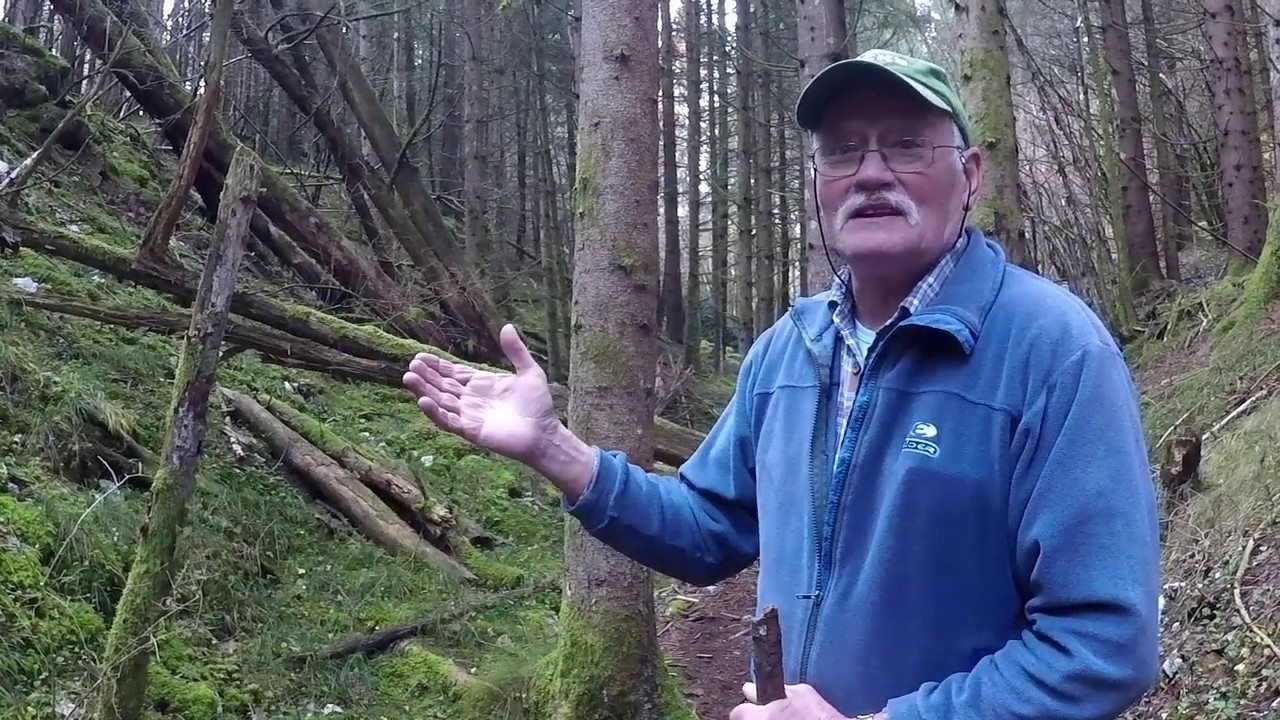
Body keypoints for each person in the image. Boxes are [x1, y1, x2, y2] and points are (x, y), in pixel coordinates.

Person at [402, 48, 1162, 720]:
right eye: (843, 151)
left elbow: (1101, 644)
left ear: (969, 175)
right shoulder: (787, 354)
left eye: (905, 144)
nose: (871, 172)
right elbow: (708, 528)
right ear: (819, 186)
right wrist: (555, 449)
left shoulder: (1053, 352)